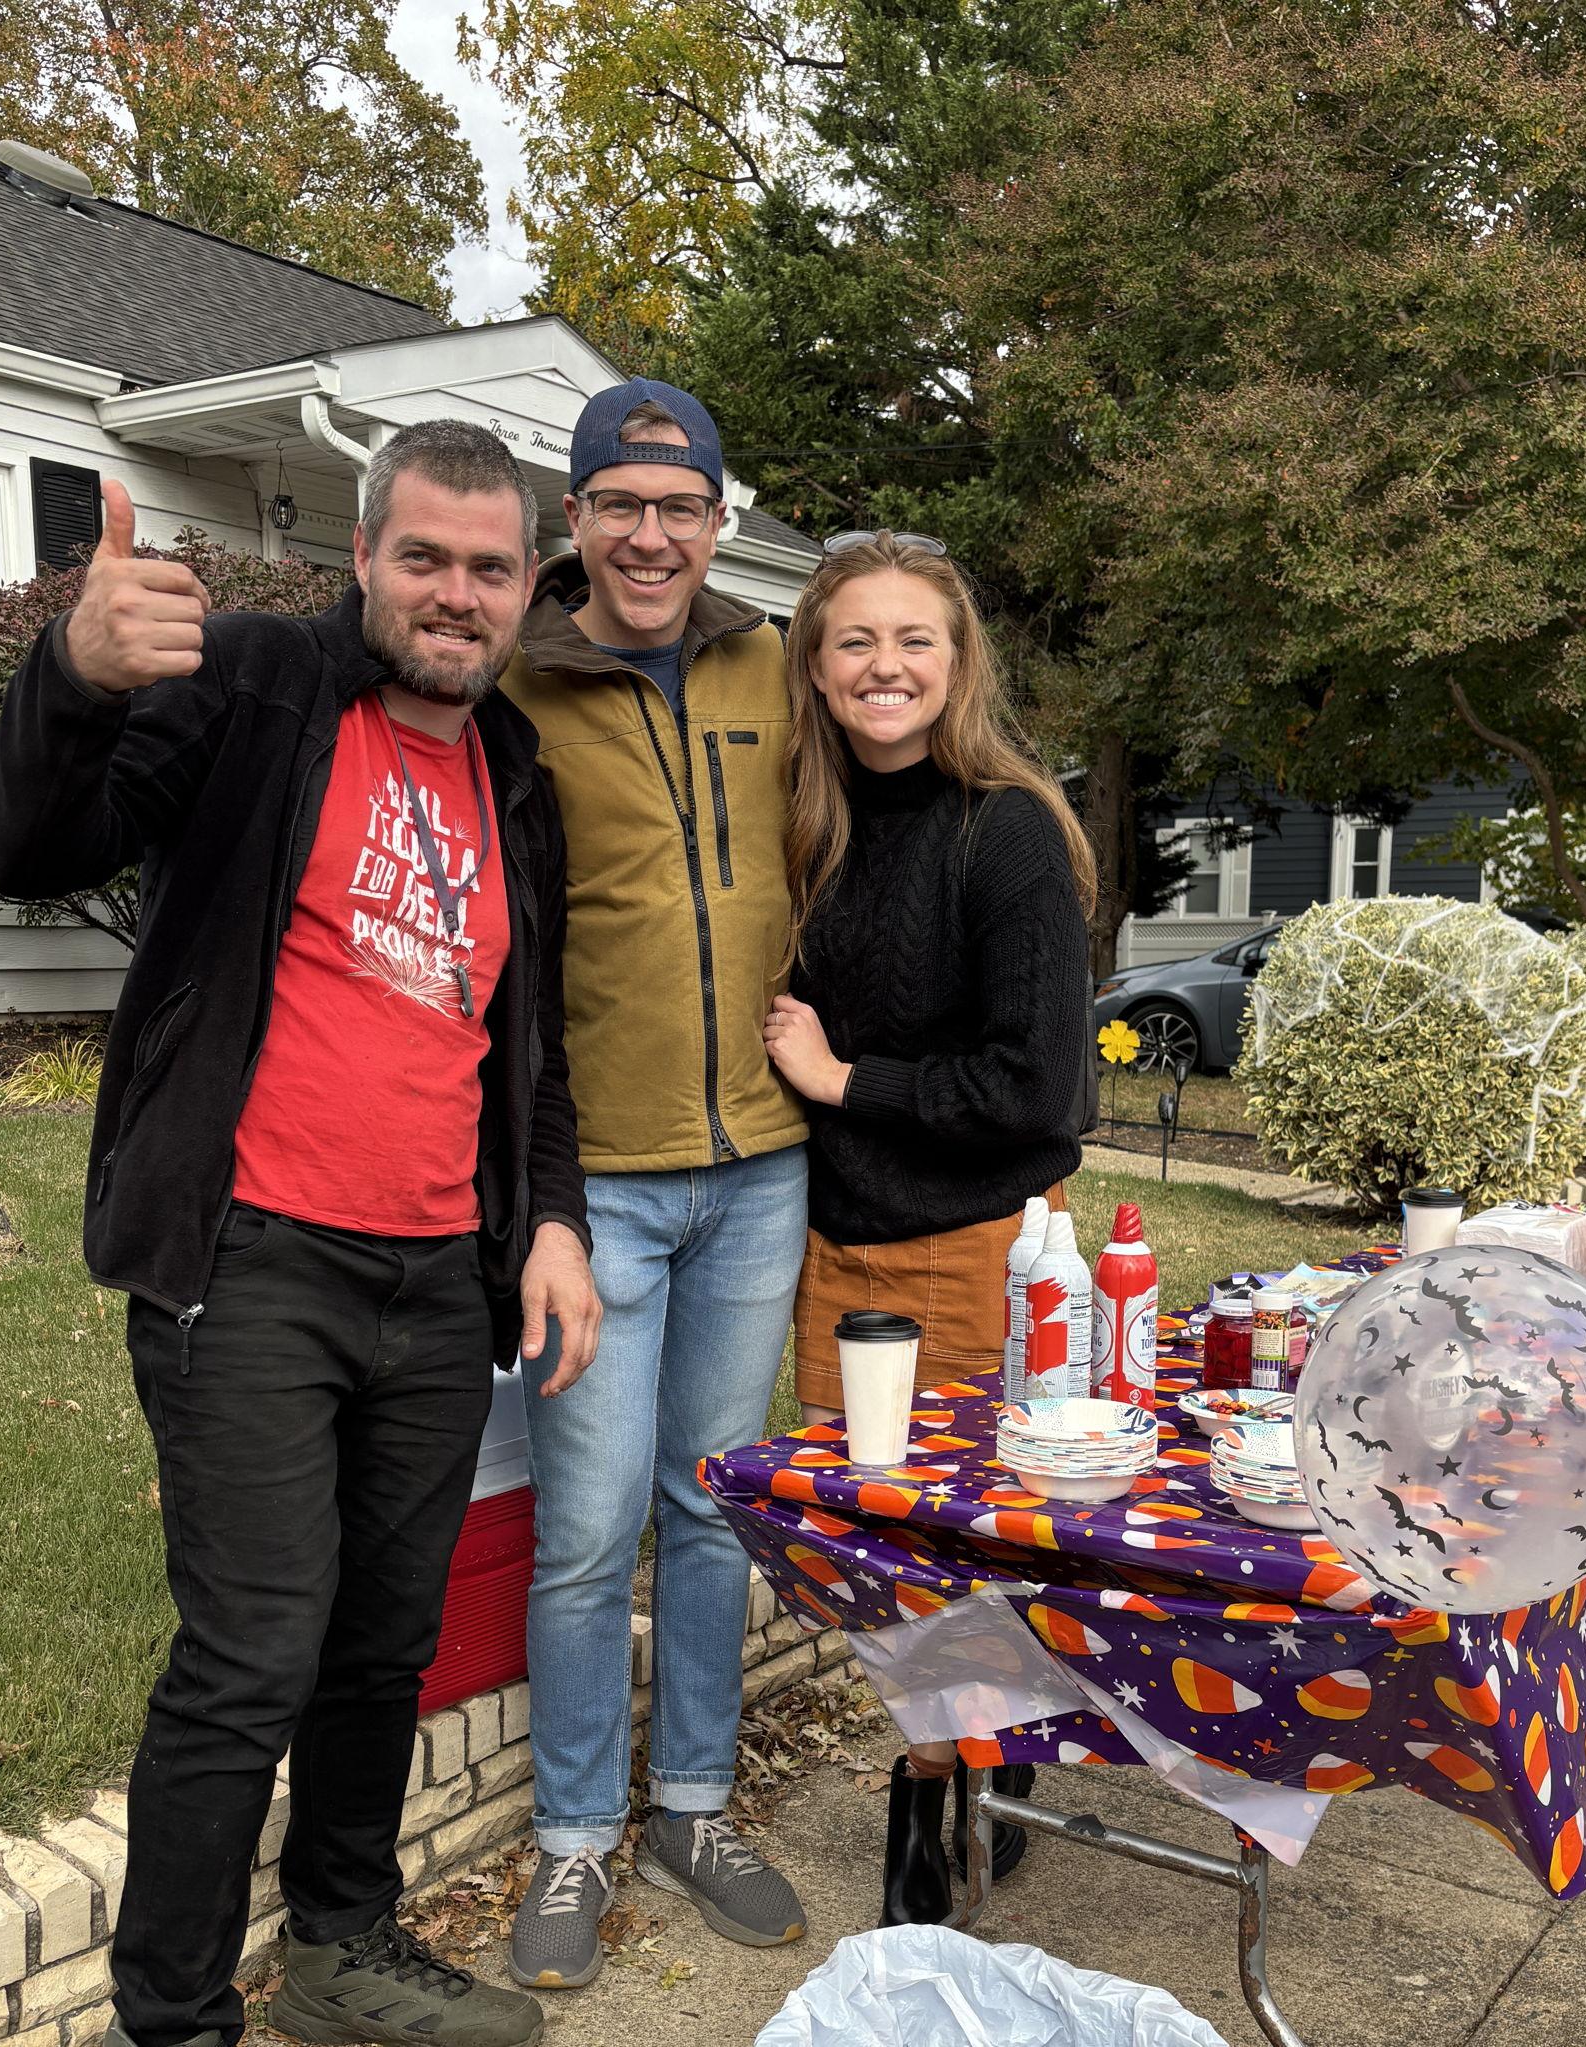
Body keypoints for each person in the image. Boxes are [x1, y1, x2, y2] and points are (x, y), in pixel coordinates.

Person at [0, 421, 599, 2047]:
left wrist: (548, 1223)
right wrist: (73, 672)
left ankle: (340, 1946)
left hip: (438, 1280)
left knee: (381, 1644)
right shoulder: (251, 688)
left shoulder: (518, 778)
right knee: (252, 1654)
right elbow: (31, 850)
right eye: (425, 560)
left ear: (526, 587)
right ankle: (172, 2020)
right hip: (247, 1261)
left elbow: (532, 1047)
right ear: (365, 559)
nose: (456, 597)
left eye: (488, 569)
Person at [499, 380, 811, 1989]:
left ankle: (690, 1804)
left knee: (710, 1513)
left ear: (715, 519)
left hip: (762, 1173)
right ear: (576, 523)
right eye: (618, 505)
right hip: (597, 1186)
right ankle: (570, 1840)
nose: (648, 534)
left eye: (677, 506)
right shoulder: (519, 681)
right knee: (587, 1527)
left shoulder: (778, 667)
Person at [758, 530, 1095, 1924]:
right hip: (834, 1242)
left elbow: (1041, 1089)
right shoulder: (811, 821)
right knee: (881, 1551)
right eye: (856, 641)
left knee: (954, 1545)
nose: (885, 665)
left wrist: (848, 1080)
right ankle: (964, 1772)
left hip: (971, 1240)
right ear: (817, 668)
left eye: (915, 641)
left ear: (958, 665)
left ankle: (946, 1797)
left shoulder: (1004, 828)